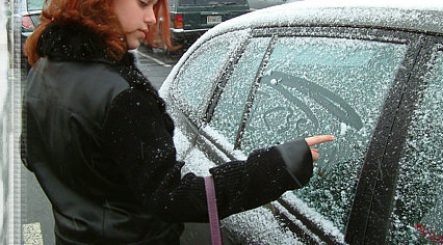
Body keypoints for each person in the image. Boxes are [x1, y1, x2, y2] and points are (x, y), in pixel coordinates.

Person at [20, 0, 334, 244]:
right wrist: (274, 167)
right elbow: (172, 198)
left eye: (155, 6)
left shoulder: (43, 71)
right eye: (143, 4)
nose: (152, 18)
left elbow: (32, 155)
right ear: (99, 3)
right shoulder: (122, 96)